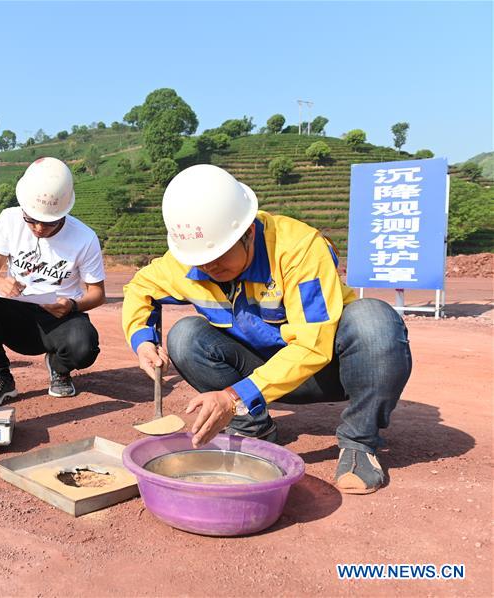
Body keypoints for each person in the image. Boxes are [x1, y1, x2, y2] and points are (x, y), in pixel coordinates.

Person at [122, 165, 412, 494]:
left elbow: (313, 346)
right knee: (185, 336)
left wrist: (233, 397)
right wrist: (143, 342)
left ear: (248, 231)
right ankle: (253, 427)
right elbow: (139, 289)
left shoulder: (298, 249)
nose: (209, 267)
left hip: (327, 371)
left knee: (373, 321)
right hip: (258, 373)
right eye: (201, 261)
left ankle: (360, 443)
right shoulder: (189, 261)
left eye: (218, 256)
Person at [0, 157, 106, 406]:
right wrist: (0, 281)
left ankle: (59, 368)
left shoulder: (84, 238)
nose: (39, 228)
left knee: (85, 345)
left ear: (64, 212)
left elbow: (97, 294)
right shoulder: (9, 219)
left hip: (58, 317)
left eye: (49, 223)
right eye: (31, 219)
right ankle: (0, 379)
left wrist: (72, 306)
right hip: (16, 313)